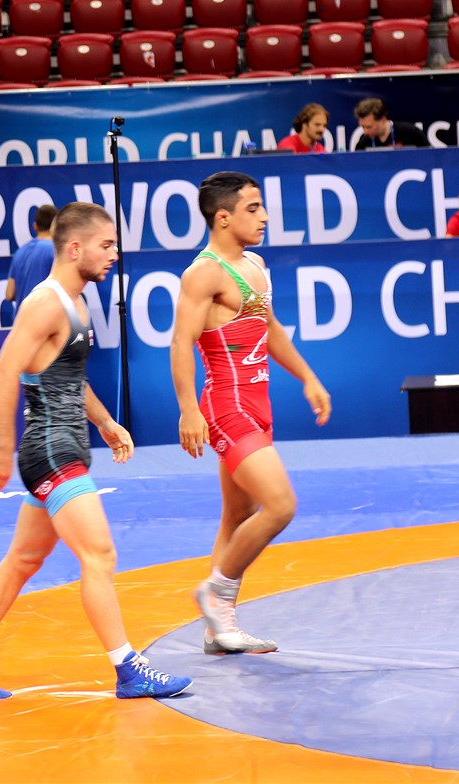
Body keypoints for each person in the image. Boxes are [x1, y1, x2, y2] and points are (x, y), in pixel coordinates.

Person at [0, 202, 191, 700]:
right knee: (99, 554)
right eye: (106, 245)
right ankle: (128, 669)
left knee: (24, 558)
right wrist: (2, 449)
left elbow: (71, 378)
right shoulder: (45, 303)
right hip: (51, 451)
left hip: (65, 445)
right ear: (75, 248)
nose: (114, 255)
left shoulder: (75, 303)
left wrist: (106, 423)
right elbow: (3, 370)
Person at [170, 171, 331, 654]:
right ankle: (215, 592)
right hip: (227, 406)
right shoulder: (204, 273)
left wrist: (307, 377)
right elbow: (181, 342)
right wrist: (188, 410)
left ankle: (217, 631)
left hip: (259, 405)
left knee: (238, 515)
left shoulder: (255, 265)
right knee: (280, 506)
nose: (264, 217)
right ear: (223, 218)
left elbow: (271, 329)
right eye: (253, 208)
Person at [5, 203, 58, 303]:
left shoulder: (19, 253)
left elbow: (9, 294)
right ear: (57, 226)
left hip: (22, 312)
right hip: (48, 311)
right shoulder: (57, 251)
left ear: (35, 226)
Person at [351, 97, 429, 151]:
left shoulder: (411, 133)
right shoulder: (363, 142)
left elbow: (430, 157)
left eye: (369, 127)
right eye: (363, 127)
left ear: (382, 119)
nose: (365, 132)